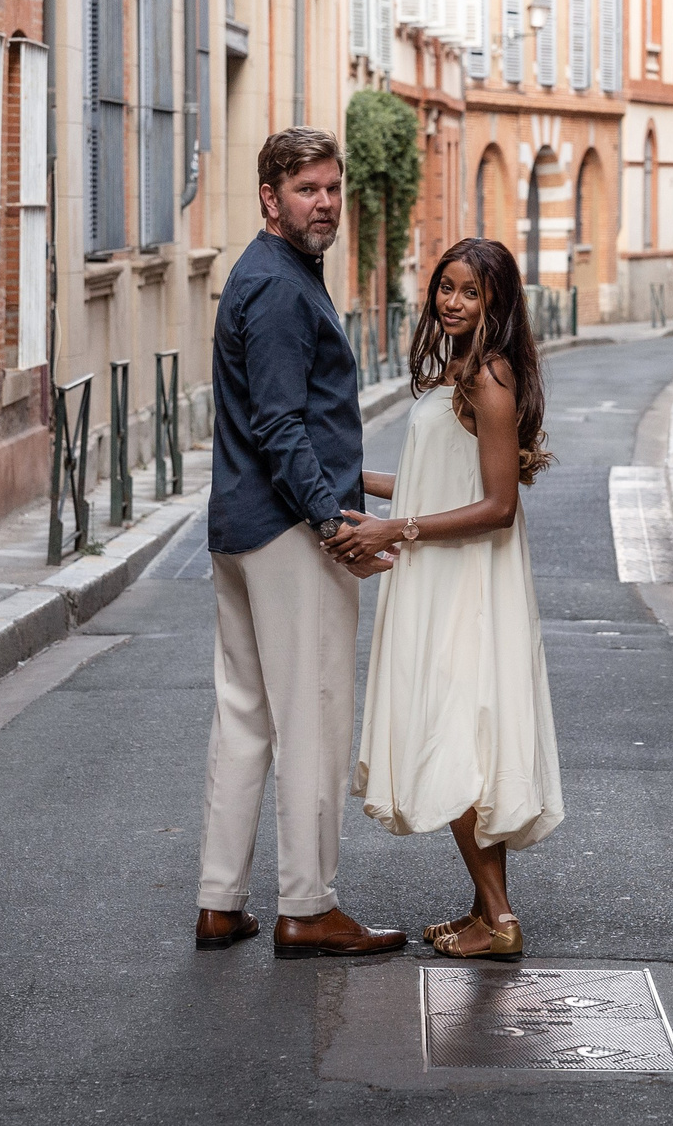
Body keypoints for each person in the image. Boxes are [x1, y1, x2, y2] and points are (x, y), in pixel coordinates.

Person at [193, 128, 407, 959]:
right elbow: (282, 427)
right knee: (313, 716)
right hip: (288, 531)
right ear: (269, 197)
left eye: (331, 188)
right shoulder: (280, 288)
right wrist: (333, 522)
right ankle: (308, 905)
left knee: (244, 715)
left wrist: (376, 488)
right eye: (306, 189)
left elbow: (287, 425)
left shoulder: (264, 273)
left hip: (243, 525)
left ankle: (220, 899)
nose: (324, 203)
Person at [327, 237, 562, 962]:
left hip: (466, 584)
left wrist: (400, 527)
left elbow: (497, 506)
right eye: (446, 288)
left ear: (497, 301)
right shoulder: (460, 371)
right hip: (441, 572)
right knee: (467, 735)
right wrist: (351, 477)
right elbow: (439, 476)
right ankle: (481, 910)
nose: (453, 302)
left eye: (470, 291)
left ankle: (500, 918)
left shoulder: (489, 380)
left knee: (460, 740)